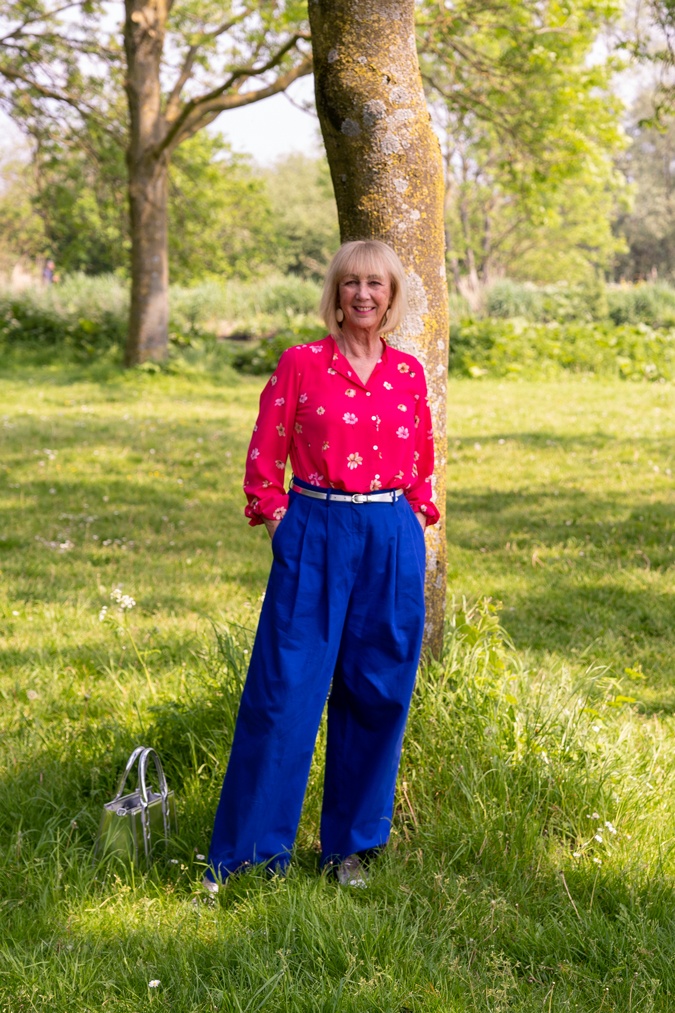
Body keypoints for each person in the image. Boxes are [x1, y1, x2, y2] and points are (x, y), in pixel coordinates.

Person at [205, 240, 440, 890]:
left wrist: (413, 518)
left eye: (375, 284)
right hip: (315, 528)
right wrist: (280, 521)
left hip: (389, 536)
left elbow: (421, 457)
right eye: (351, 283)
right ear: (334, 293)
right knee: (283, 693)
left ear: (390, 296)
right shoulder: (301, 364)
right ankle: (250, 853)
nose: (363, 294)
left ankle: (348, 849)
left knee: (377, 693)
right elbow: (264, 457)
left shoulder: (407, 373)